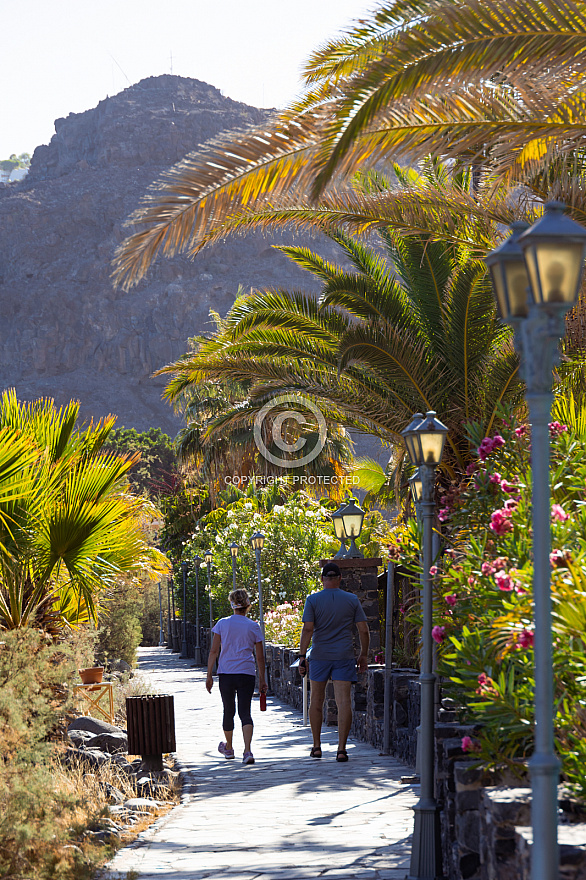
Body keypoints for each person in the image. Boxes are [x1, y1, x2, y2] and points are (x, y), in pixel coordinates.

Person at [298, 561, 369, 762]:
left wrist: (303, 656)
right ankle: (341, 749)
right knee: (344, 701)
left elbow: (308, 629)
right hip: (344, 655)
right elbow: (363, 629)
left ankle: (317, 746)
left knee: (316, 701)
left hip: (320, 656)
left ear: (322, 579)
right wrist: (363, 654)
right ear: (339, 578)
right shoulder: (352, 599)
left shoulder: (312, 600)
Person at [206, 588, 267, 765]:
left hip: (226, 673)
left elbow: (213, 651)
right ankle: (247, 751)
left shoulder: (222, 624)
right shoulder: (253, 626)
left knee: (228, 710)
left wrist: (209, 675)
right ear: (247, 605)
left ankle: (229, 748)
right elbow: (260, 657)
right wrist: (263, 679)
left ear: (232, 603)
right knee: (245, 712)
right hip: (246, 673)